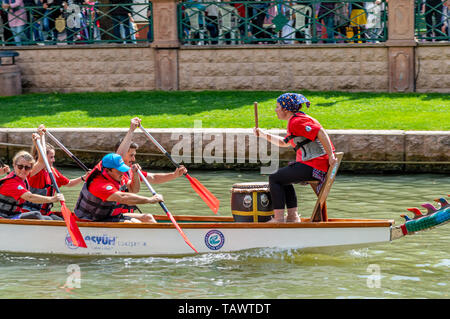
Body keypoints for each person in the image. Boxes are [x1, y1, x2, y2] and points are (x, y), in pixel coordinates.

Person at [253, 93, 337, 223]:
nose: (275, 110)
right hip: (315, 165)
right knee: (283, 178)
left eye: (277, 107)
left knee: (274, 178)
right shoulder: (297, 120)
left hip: (314, 166)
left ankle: (279, 219)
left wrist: (331, 155)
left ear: (285, 109)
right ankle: (292, 217)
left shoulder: (297, 121)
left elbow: (320, 132)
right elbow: (284, 143)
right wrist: (263, 134)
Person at [115, 117, 187, 216]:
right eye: (131, 155)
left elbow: (153, 177)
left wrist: (174, 175)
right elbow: (119, 156)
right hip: (111, 218)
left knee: (148, 218)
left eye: (134, 155)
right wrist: (131, 130)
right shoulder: (113, 168)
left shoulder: (130, 171)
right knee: (148, 218)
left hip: (125, 216)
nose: (134, 159)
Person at [73, 152, 163, 223]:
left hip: (108, 216)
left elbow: (133, 190)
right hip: (91, 219)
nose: (122, 173)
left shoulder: (117, 175)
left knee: (148, 218)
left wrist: (135, 174)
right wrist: (150, 200)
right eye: (119, 170)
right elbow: (123, 197)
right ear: (108, 170)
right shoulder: (99, 184)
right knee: (132, 223)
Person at [25, 127, 89, 220]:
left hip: (46, 213)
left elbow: (69, 183)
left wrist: (84, 177)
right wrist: (40, 137)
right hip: (30, 213)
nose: (54, 160)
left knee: (67, 219)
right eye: (51, 157)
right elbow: (42, 161)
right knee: (50, 220)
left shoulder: (53, 171)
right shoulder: (33, 170)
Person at [0, 150, 63, 220]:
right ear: (14, 165)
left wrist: (39, 139)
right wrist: (52, 199)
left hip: (14, 215)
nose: (23, 170)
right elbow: (29, 197)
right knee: (36, 214)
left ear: (31, 169)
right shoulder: (11, 182)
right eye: (20, 167)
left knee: (49, 219)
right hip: (4, 217)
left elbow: (41, 161)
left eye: (27, 168)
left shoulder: (23, 177)